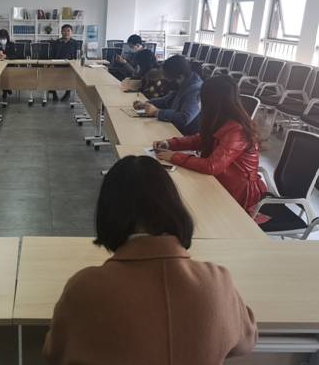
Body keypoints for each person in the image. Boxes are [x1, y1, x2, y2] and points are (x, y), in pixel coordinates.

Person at [43, 156, 258, 365]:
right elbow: (246, 341)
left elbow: (54, 352)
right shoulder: (218, 282)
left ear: (108, 214)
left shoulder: (84, 287)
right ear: (174, 206)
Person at [154, 75, 267, 214]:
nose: (200, 104)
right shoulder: (221, 119)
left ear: (212, 102)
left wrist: (174, 156)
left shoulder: (237, 130)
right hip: (220, 181)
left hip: (238, 193)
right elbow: (200, 139)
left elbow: (212, 166)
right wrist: (170, 143)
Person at [133, 55, 202, 135]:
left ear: (180, 77)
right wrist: (146, 104)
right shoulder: (184, 83)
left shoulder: (196, 90)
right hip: (173, 128)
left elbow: (184, 118)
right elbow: (166, 100)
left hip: (184, 134)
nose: (167, 82)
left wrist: (157, 112)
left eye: (169, 79)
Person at [49, 24, 78, 102]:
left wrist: (75, 62)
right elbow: (51, 54)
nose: (66, 33)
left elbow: (77, 55)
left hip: (70, 65)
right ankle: (54, 93)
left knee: (71, 75)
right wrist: (51, 64)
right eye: (64, 31)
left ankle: (68, 93)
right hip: (57, 64)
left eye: (68, 31)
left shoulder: (75, 43)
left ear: (71, 32)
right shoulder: (56, 42)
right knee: (49, 73)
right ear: (61, 32)